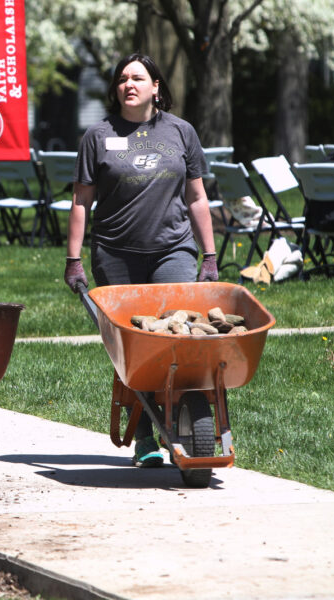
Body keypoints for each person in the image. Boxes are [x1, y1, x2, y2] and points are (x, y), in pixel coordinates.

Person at [63, 52, 218, 468]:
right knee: (136, 349)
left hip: (173, 248)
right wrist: (73, 259)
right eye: (122, 79)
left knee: (179, 337)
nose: (128, 84)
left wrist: (209, 255)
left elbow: (197, 197)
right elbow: (81, 201)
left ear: (156, 87)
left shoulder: (181, 132)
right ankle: (146, 434)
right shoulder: (98, 136)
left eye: (138, 78)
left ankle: (184, 417)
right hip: (115, 255)